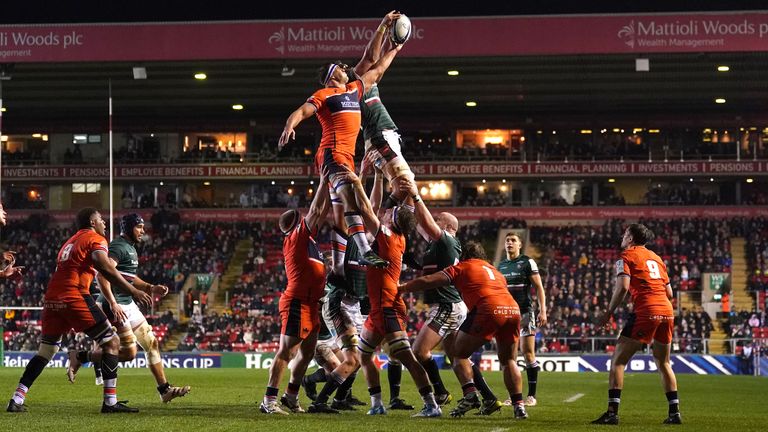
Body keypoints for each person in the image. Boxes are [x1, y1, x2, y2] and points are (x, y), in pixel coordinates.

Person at [277, 11, 405, 273]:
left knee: (340, 214)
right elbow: (302, 111)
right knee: (354, 187)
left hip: (345, 156)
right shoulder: (325, 94)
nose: (347, 68)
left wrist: (396, 46)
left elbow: (377, 68)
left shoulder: (354, 89)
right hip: (331, 153)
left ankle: (338, 269)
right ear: (333, 74)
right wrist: (290, 125)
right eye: (341, 67)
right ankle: (367, 250)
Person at [7, 208, 151, 413]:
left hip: (52, 297)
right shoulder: (95, 238)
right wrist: (133, 291)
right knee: (112, 342)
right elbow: (106, 268)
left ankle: (17, 399)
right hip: (73, 295)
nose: (104, 223)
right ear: (92, 222)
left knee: (46, 351)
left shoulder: (70, 241)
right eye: (101, 220)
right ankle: (110, 403)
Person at [340, 169, 441, 418]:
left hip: (387, 306)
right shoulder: (399, 237)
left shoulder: (386, 237)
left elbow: (365, 209)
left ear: (393, 221)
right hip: (380, 307)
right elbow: (388, 212)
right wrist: (399, 190)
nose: (387, 213)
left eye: (390, 214)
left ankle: (431, 404)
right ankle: (377, 404)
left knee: (406, 357)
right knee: (364, 357)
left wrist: (356, 183)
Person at [67, 213, 191, 403]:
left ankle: (164, 390)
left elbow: (129, 277)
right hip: (115, 305)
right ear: (128, 228)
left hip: (127, 303)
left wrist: (150, 287)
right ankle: (81, 356)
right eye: (139, 227)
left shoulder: (130, 248)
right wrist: (113, 303)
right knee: (129, 354)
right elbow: (102, 275)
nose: (142, 231)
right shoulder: (118, 246)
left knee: (151, 343)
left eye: (143, 227)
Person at [399, 241, 529, 420]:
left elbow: (429, 280)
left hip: (489, 309)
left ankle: (470, 395)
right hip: (513, 310)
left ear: (464, 255)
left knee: (457, 353)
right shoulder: (495, 271)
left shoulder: (462, 267)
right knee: (508, 361)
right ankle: (519, 407)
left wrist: (403, 288)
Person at [397, 178, 489, 411]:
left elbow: (426, 223)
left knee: (419, 351)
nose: (434, 223)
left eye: (439, 221)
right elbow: (419, 222)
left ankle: (440, 392)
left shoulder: (448, 240)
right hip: (451, 304)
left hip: (447, 304)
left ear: (448, 227)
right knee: (458, 356)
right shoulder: (438, 246)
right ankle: (482, 396)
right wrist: (408, 195)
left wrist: (416, 195)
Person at [592, 223, 681, 425]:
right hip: (667, 312)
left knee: (618, 361)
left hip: (646, 311)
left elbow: (623, 287)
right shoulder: (657, 259)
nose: (622, 237)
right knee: (664, 362)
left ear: (630, 238)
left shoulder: (625, 257)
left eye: (625, 234)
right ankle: (674, 413)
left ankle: (612, 413)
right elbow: (670, 293)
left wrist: (608, 313)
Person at [260, 174, 330, 415]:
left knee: (307, 352)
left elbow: (321, 211)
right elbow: (317, 208)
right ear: (298, 223)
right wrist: (324, 182)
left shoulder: (306, 240)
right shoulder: (297, 236)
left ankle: (290, 396)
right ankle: (269, 401)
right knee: (286, 352)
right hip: (298, 302)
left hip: (312, 304)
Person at [497, 232, 547, 406]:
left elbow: (539, 287)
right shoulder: (500, 266)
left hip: (525, 313)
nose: (509, 243)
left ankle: (531, 396)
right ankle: (514, 396)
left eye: (513, 241)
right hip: (507, 314)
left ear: (519, 245)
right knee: (509, 357)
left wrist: (543, 310)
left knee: (528, 353)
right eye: (507, 241)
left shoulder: (527, 262)